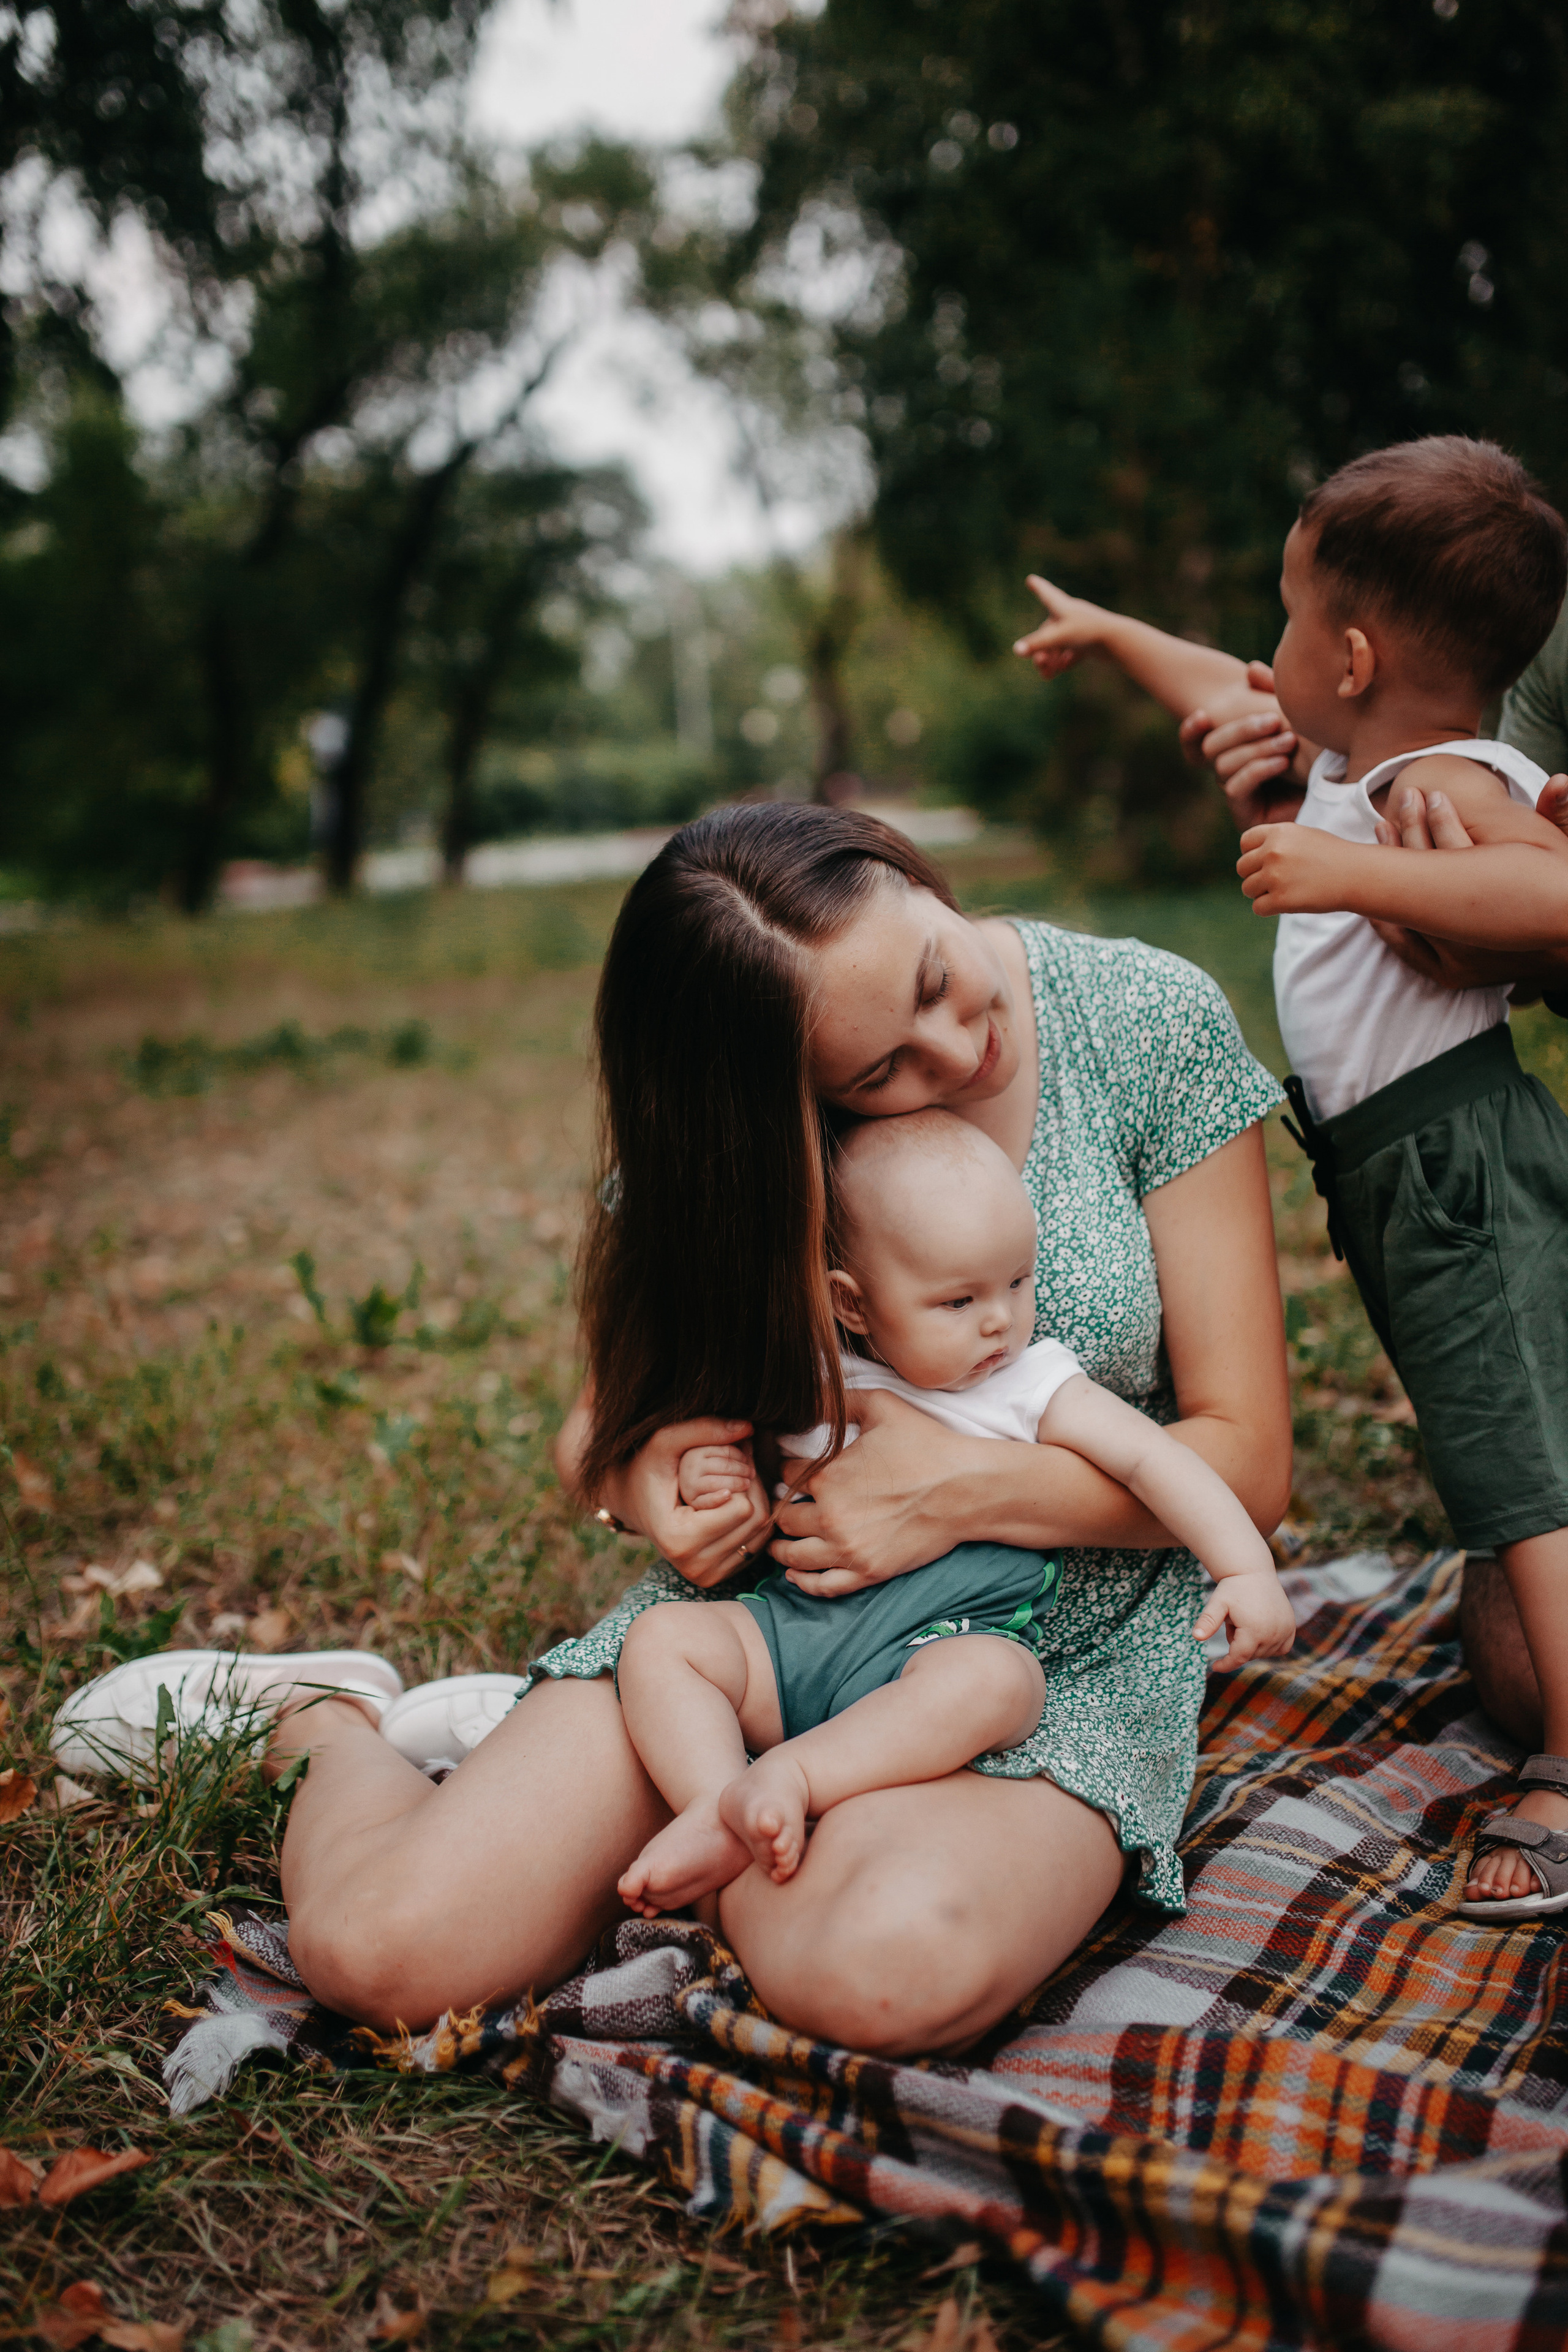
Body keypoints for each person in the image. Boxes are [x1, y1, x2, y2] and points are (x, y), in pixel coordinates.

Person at [53, 804, 1290, 2051]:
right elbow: (604, 1427)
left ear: (907, 871)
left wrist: (959, 1491)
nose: (956, 1046)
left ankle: (694, 1822)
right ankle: (321, 1720)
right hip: (764, 1630)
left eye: (932, 976)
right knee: (382, 1953)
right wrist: (646, 1482)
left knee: (882, 1972)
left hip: (1058, 1641)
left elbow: (1248, 1456)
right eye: (877, 1075)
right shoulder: (748, 1133)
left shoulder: (1141, 1020)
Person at [1012, 435, 1568, 1921]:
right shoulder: (1346, 757)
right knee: (1491, 1460)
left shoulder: (1435, 782)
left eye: (1287, 613)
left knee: (1521, 1471)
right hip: (1397, 1170)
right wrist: (1110, 633)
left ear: (1355, 654)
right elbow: (1222, 687)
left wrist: (1352, 873)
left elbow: (1554, 890)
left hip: (1453, 1159)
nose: (1266, 651)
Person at [615, 1110, 1293, 1916]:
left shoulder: (1029, 1384)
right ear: (853, 1305)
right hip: (792, 1639)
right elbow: (744, 1458)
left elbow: (1154, 1460)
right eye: (958, 1299)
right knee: (663, 1642)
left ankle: (794, 1777)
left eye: (1018, 1281)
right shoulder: (818, 1376)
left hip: (933, 1658)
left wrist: (1244, 1567)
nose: (1000, 1320)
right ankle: (716, 1803)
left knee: (1001, 1684)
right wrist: (713, 1474)